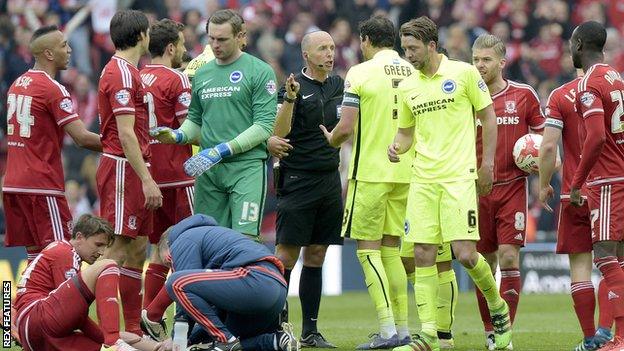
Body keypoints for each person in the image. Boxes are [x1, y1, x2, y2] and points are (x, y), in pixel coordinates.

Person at [389, 16, 512, 351]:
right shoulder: (408, 87)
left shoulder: (464, 74)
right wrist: (396, 147)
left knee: (466, 254)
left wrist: (486, 164)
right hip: (423, 179)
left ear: (431, 45)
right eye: (405, 49)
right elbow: (405, 131)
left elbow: (488, 115)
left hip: (458, 178)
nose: (409, 55)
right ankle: (428, 334)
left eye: (413, 48)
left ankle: (497, 307)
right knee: (423, 252)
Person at [320, 16, 412, 349]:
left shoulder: (359, 73)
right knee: (392, 251)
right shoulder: (411, 70)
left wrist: (331, 139)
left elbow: (345, 128)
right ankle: (403, 330)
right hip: (405, 172)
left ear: (366, 40)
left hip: (371, 172)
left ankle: (387, 331)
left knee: (367, 250)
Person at [151, 9, 276, 239]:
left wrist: (222, 149)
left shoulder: (260, 71)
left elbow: (264, 126)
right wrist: (178, 135)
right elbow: (196, 119)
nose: (215, 45)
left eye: (222, 39)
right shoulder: (202, 74)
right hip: (209, 169)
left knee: (243, 241)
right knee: (209, 239)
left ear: (240, 36)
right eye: (211, 38)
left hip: (245, 167)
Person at [268, 30, 343, 348]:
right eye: (323, 48)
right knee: (286, 255)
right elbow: (279, 133)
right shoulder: (293, 87)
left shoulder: (339, 84)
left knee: (317, 254)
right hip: (298, 179)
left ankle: (310, 331)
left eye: (332, 47)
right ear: (307, 56)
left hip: (329, 180)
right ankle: (276, 324)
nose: (330, 53)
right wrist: (289, 99)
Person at [471, 33, 546, 350]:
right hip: (475, 190)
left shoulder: (524, 95)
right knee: (483, 264)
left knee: (509, 257)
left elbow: (543, 138)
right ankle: (490, 330)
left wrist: (541, 168)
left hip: (513, 188)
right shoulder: (466, 96)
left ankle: (505, 334)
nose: (480, 65)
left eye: (486, 60)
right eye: (476, 60)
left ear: (501, 63)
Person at [3, 25, 101, 261]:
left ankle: (21, 299)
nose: (69, 51)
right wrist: (125, 147)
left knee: (35, 259)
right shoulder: (52, 88)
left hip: (14, 185)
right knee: (63, 255)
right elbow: (81, 138)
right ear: (48, 54)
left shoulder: (17, 84)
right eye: (64, 45)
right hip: (41, 185)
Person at [97, 9, 163, 336]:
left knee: (137, 249)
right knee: (117, 249)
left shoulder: (129, 71)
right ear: (140, 36)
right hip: (124, 170)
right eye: (148, 31)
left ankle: (134, 331)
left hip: (134, 167)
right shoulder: (121, 74)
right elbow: (125, 135)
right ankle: (102, 333)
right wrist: (147, 178)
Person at [539, 71, 614, 350]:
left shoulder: (560, 95)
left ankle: (589, 339)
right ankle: (607, 332)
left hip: (574, 192)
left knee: (580, 268)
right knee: (614, 265)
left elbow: (547, 147)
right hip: (609, 189)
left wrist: (544, 184)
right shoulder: (614, 89)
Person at [158, 214, 299, 351]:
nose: (172, 265)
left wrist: (178, 338)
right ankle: (274, 341)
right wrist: (191, 339)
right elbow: (208, 313)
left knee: (176, 282)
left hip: (254, 278)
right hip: (275, 289)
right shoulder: (213, 236)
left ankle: (225, 341)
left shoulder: (182, 240)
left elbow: (183, 299)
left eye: (169, 262)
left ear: (168, 245)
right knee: (213, 339)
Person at [568, 21, 624, 351]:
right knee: (620, 259)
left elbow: (596, 137)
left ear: (578, 45)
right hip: (622, 175)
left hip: (607, 181)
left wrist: (577, 183)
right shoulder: (617, 77)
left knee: (604, 258)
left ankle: (620, 339)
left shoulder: (588, 83)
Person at [398, 45, 458, 350]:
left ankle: (441, 334)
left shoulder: (453, 91)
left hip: (444, 182)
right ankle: (430, 326)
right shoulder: (414, 89)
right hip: (416, 181)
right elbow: (406, 132)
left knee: (442, 261)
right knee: (410, 257)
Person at [138, 18, 194, 329]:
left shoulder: (135, 77)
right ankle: (172, 318)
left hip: (147, 176)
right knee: (188, 248)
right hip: (178, 176)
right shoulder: (177, 79)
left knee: (157, 251)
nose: (184, 50)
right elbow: (189, 129)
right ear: (171, 48)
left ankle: (147, 317)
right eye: (183, 45)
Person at [14, 214, 137, 351]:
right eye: (98, 244)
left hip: (35, 334)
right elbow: (75, 314)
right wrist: (108, 337)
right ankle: (114, 339)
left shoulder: (61, 250)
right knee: (109, 265)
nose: (101, 252)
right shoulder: (66, 253)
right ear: (79, 237)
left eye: (104, 247)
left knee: (99, 348)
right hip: (37, 317)